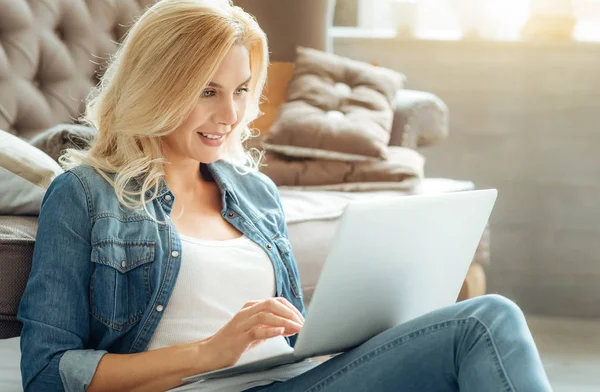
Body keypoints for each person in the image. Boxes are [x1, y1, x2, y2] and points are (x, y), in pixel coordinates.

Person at [17, 1, 553, 391]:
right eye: (207, 91)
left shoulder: (254, 193)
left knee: (477, 327)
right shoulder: (85, 196)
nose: (229, 114)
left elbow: (294, 339)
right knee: (482, 322)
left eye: (241, 90)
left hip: (295, 380)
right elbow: (48, 372)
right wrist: (208, 353)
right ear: (157, 85)